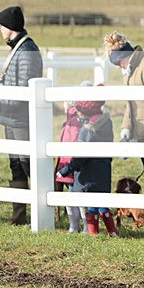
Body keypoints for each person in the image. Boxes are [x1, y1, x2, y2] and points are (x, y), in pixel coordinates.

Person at [0, 6, 43, 225]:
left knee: (27, 164)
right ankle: (19, 215)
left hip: (21, 118)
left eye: (1, 26)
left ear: (10, 27)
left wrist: (4, 100)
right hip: (12, 118)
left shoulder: (27, 50)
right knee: (16, 165)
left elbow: (25, 85)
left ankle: (44, 211)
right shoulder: (18, 48)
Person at [104, 31, 144, 194]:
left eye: (118, 63)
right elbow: (131, 104)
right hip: (142, 132)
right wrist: (126, 130)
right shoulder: (132, 70)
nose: (118, 67)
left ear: (122, 57)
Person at [56, 96, 117, 236]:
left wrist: (66, 169)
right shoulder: (107, 124)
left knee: (90, 205)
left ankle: (92, 233)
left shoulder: (87, 131)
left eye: (78, 111)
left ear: (85, 112)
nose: (76, 113)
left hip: (87, 175)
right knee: (102, 204)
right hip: (103, 171)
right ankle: (112, 231)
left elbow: (80, 157)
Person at [55, 95, 86, 233]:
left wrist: (67, 165)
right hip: (69, 163)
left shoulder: (73, 123)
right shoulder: (70, 122)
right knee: (73, 195)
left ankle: (78, 225)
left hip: (69, 164)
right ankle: (78, 225)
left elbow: (73, 143)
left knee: (74, 195)